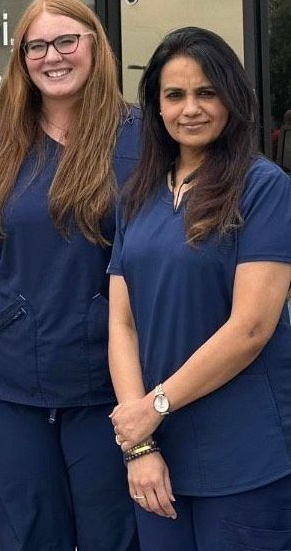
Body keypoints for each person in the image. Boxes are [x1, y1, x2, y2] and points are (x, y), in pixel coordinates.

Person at [0, 0, 141, 551]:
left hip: (110, 383)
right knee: (28, 536)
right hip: (8, 384)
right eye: (37, 46)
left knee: (113, 537)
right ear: (22, 58)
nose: (53, 56)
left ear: (95, 46)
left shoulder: (143, 138)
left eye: (67, 41)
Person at [108, 27, 291, 550]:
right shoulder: (138, 194)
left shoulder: (264, 187)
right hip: (158, 455)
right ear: (156, 107)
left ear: (233, 98)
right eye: (175, 95)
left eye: (207, 92)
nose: (191, 108)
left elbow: (252, 327)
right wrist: (139, 442)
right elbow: (122, 321)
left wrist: (153, 406)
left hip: (245, 453)